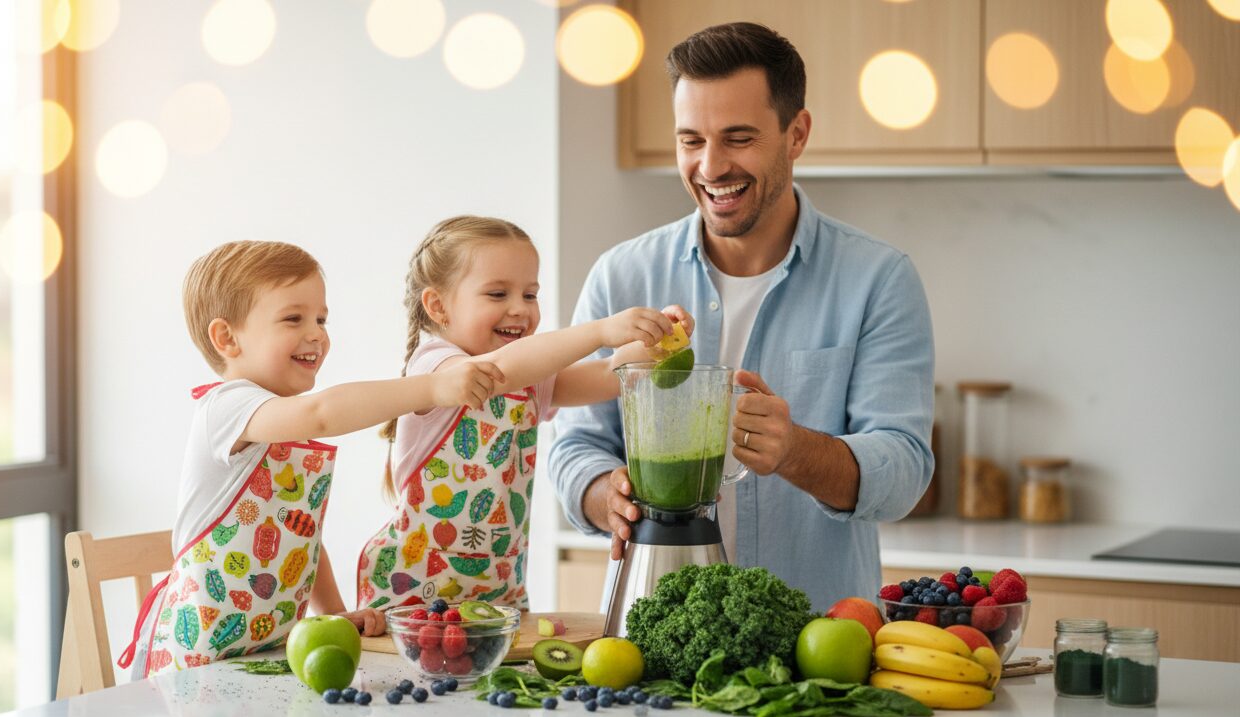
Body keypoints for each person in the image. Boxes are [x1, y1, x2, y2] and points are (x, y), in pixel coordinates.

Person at [547, 22, 935, 612]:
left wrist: (796, 450)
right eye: (691, 140)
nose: (710, 166)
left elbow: (904, 467)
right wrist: (609, 497)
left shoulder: (877, 279)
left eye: (738, 138)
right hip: (653, 635)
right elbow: (574, 445)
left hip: (816, 644)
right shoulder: (622, 276)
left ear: (796, 133)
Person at [118, 240, 504, 678]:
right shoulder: (226, 407)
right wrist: (433, 389)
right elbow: (321, 414)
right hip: (192, 663)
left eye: (321, 318)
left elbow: (298, 537)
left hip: (262, 655)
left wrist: (335, 612)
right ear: (227, 338)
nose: (317, 333)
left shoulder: (278, 423)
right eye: (293, 319)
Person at [359, 216, 690, 611]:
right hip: (410, 597)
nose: (520, 309)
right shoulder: (437, 367)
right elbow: (500, 370)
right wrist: (600, 331)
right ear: (438, 306)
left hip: (498, 597)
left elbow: (608, 374)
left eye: (530, 295)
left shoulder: (529, 379)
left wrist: (656, 342)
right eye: (498, 294)